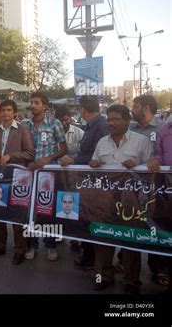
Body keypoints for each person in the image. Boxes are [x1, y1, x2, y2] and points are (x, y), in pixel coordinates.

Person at [89, 104, 152, 294]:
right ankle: (103, 277)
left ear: (127, 121)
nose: (111, 123)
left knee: (131, 241)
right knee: (102, 239)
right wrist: (94, 163)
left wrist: (139, 165)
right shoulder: (102, 142)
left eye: (116, 119)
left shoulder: (141, 141)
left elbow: (152, 169)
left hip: (131, 202)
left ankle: (132, 282)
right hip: (105, 200)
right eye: (109, 119)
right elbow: (92, 165)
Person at [60, 95, 108, 269]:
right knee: (85, 218)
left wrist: (74, 160)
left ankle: (94, 260)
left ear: (83, 109)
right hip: (86, 182)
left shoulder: (100, 126)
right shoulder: (91, 126)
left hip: (95, 183)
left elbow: (98, 155)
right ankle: (88, 255)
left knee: (92, 219)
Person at [0, 99, 34, 264]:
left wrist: (11, 156)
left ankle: (19, 249)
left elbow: (29, 153)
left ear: (14, 113)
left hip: (18, 177)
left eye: (9, 110)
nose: (6, 113)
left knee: (17, 214)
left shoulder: (23, 129)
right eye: (3, 110)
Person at [22, 92, 67, 261]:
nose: (33, 105)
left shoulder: (55, 124)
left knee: (48, 210)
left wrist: (47, 159)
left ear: (45, 106)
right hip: (29, 174)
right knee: (29, 211)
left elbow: (63, 148)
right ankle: (31, 245)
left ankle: (51, 246)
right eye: (31, 102)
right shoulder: (25, 125)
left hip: (49, 174)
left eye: (37, 103)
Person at [129, 94, 167, 286]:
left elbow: (162, 155)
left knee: (156, 225)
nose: (132, 109)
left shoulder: (163, 127)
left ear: (145, 108)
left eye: (135, 106)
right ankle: (126, 265)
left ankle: (158, 267)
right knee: (132, 223)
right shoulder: (130, 128)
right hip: (131, 186)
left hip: (158, 188)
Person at [147, 120, 172, 292]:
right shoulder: (164, 128)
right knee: (161, 227)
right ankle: (160, 269)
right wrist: (155, 160)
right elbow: (159, 153)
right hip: (165, 188)